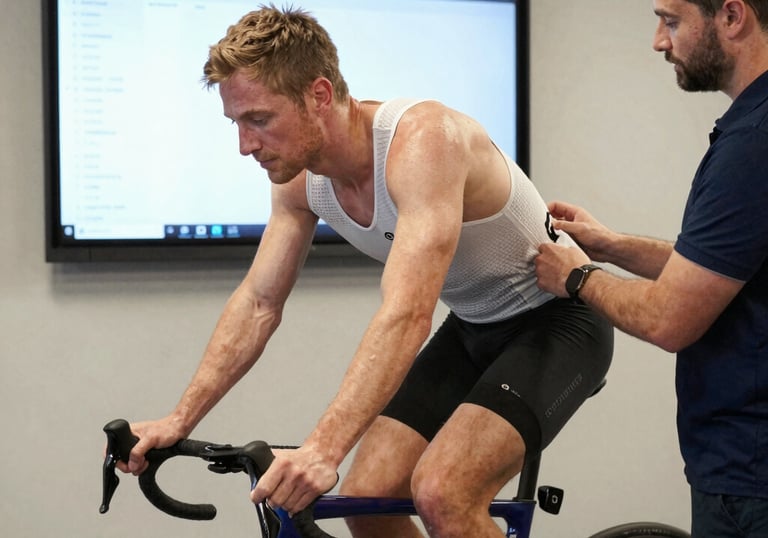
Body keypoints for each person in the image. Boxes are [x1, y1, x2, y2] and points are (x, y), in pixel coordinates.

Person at [119, 5, 613, 537]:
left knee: (443, 493)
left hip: (560, 323)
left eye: (259, 119)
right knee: (365, 498)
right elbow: (259, 303)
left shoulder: (423, 142)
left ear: (320, 95)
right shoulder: (297, 181)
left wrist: (321, 451)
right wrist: (179, 419)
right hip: (473, 327)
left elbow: (406, 314)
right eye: (236, 122)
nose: (245, 145)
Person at [534, 1, 768, 536]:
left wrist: (576, 276)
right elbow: (719, 268)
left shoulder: (754, 144)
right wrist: (608, 245)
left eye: (671, 21)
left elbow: (670, 319)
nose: (659, 42)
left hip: (750, 479)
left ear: (731, 17)